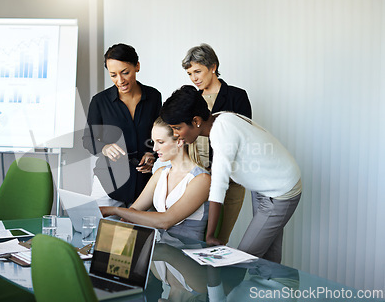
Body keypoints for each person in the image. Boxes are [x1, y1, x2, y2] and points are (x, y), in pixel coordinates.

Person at [160, 85, 302, 263]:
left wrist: (211, 235)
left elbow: (218, 186)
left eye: (177, 128)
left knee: (243, 259)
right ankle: (275, 289)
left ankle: (283, 287)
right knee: (268, 254)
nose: (175, 134)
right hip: (263, 186)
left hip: (281, 190)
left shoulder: (222, 133)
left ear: (196, 121)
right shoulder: (221, 118)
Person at [182, 43, 252, 245]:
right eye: (189, 73)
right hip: (196, 179)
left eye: (198, 71)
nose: (194, 78)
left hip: (230, 181)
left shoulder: (237, 96)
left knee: (219, 239)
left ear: (213, 67)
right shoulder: (190, 99)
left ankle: (216, 277)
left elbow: (243, 139)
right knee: (195, 239)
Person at [100, 117, 211, 240]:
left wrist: (114, 210)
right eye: (154, 142)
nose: (154, 149)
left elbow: (165, 221)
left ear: (179, 141)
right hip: (158, 248)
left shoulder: (202, 179)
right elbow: (133, 211)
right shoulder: (160, 173)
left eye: (161, 142)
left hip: (186, 253)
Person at [83, 43, 162, 206]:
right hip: (107, 184)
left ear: (137, 66)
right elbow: (88, 140)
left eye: (125, 72)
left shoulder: (154, 97)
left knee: (141, 231)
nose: (120, 81)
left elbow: (160, 136)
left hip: (143, 185)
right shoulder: (100, 101)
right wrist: (104, 148)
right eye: (113, 75)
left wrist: (152, 155)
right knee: (102, 231)